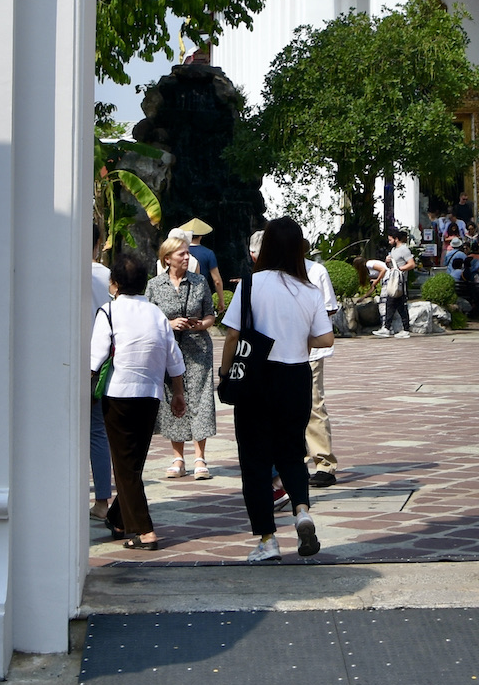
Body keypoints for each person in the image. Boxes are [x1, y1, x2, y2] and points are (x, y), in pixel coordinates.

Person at [218, 217, 334, 562]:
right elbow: (326, 338)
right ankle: (301, 510)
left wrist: (226, 373)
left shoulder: (252, 284)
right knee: (291, 452)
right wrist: (299, 338)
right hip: (296, 376)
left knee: (255, 461)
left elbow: (233, 334)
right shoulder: (309, 289)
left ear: (265, 246)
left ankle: (268, 540)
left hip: (256, 377)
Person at [91, 250, 188, 551]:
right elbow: (174, 358)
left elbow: (94, 360)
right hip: (150, 396)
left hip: (118, 395)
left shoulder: (109, 312)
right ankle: (119, 519)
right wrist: (179, 393)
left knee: (125, 467)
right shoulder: (157, 315)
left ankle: (144, 531)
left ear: (114, 284)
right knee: (132, 463)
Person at [146, 234, 217, 480]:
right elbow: (149, 319)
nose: (187, 257)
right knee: (173, 398)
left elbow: (210, 315)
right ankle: (178, 457)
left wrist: (199, 325)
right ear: (167, 258)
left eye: (188, 253)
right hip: (168, 350)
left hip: (198, 348)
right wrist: (170, 323)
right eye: (182, 254)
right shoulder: (154, 286)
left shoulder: (200, 282)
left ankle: (200, 457)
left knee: (199, 398)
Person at [302, 253, 343, 488]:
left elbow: (329, 309)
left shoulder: (315, 271)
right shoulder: (271, 275)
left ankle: (324, 462)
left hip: (310, 350)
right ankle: (295, 460)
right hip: (279, 352)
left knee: (313, 404)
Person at [89, 254, 115, 522]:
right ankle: (101, 500)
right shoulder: (107, 274)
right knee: (98, 432)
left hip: (62, 361)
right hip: (101, 362)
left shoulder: (61, 267)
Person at [176, 218, 225, 296]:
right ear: (201, 236)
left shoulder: (178, 252)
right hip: (200, 293)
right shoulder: (208, 253)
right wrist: (221, 299)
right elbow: (217, 281)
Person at [381, 229, 415, 338]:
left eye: (390, 239)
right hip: (393, 280)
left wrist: (400, 269)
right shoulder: (394, 250)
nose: (389, 241)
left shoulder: (404, 250)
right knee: (393, 304)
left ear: (396, 239)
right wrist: (387, 262)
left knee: (398, 305)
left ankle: (401, 328)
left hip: (400, 281)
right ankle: (388, 327)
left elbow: (411, 264)